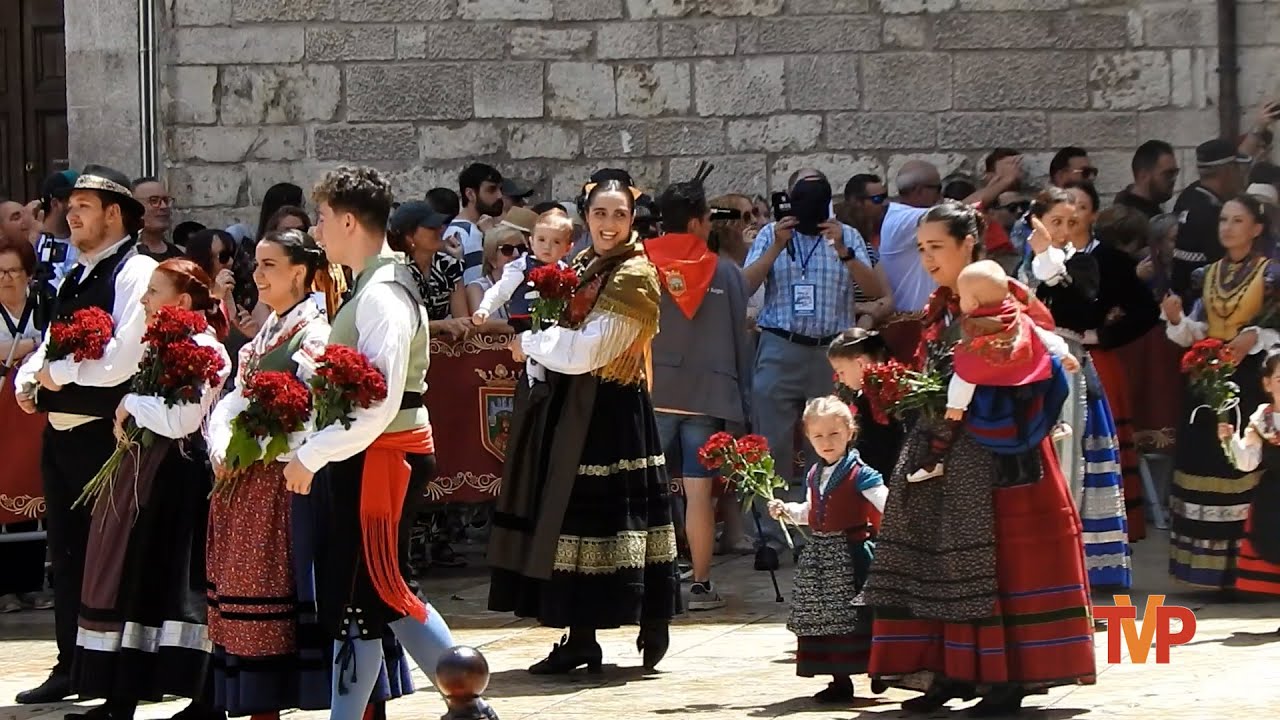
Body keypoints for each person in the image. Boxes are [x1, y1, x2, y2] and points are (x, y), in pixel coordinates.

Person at [863, 201, 1096, 716]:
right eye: (921, 249)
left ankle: (1005, 677)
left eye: (936, 247)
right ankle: (950, 669)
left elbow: (1043, 360)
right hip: (944, 443)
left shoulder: (1005, 296)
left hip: (1003, 455)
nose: (927, 258)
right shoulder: (940, 306)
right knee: (937, 556)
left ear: (968, 244)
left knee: (1002, 562)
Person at [287, 166, 481, 720]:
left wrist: (311, 454)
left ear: (348, 220)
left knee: (378, 589)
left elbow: (379, 401)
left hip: (383, 458)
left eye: (323, 219)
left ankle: (469, 702)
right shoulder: (371, 285)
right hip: (372, 458)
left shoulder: (383, 295)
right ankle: (463, 704)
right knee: (368, 597)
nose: (318, 232)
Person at [205, 229, 412, 718]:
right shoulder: (268, 330)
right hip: (252, 487)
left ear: (299, 271)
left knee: (326, 602)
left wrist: (254, 445)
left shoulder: (316, 330)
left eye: (268, 265)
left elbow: (315, 412)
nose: (257, 276)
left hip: (292, 483)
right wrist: (220, 442)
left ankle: (362, 707)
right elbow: (237, 396)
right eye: (255, 265)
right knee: (257, 607)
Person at [487, 178, 681, 674]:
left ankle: (651, 616)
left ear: (632, 219)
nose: (609, 224)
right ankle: (581, 638)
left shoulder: (635, 274)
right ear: (586, 217)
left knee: (618, 516)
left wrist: (528, 344)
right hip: (574, 406)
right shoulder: (579, 265)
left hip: (612, 410)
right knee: (572, 519)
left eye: (619, 214)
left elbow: (592, 349)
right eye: (600, 213)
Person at [12, 166, 160, 706]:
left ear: (114, 213)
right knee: (68, 554)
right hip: (63, 439)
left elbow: (122, 360)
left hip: (109, 439)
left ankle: (117, 673)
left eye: (82, 205)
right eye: (68, 206)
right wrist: (31, 380)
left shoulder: (136, 270)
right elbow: (51, 339)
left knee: (113, 558)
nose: (70, 214)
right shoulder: (75, 273)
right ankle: (72, 665)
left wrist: (58, 377)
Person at [70, 259, 231, 720]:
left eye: (153, 292)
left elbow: (182, 420)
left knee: (180, 585)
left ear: (182, 302)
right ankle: (120, 698)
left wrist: (131, 403)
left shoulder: (204, 347)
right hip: (151, 476)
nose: (144, 301)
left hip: (182, 479)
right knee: (136, 579)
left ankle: (204, 701)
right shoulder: (164, 345)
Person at [1162, 194, 1279, 590]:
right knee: (1207, 460)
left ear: (1257, 228)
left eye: (1237, 220)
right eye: (1224, 220)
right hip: (1208, 382)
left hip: (1249, 381)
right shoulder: (1206, 275)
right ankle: (1209, 569)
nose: (1227, 227)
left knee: (1242, 463)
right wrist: (1178, 320)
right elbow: (1197, 328)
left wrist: (1255, 335)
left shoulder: (1271, 274)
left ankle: (1248, 569)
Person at [647, 180, 753, 611]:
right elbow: (738, 339)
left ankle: (648, 581)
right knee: (699, 494)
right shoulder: (725, 271)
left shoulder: (642, 264)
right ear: (696, 221)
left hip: (654, 391)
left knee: (649, 491)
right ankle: (702, 585)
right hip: (708, 396)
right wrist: (742, 402)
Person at [1025, 186, 1135, 589]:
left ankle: (1072, 574)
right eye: (1056, 222)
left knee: (1071, 461)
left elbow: (1081, 303)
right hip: (1024, 369)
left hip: (1067, 369)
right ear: (1036, 221)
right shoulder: (1019, 265)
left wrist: (1043, 257)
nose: (1065, 230)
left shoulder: (1083, 264)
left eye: (1073, 222)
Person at [911, 260, 1074, 485]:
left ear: (974, 302)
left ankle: (944, 458)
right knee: (1054, 367)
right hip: (1030, 395)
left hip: (994, 409)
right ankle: (1055, 424)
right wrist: (1065, 355)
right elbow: (1044, 338)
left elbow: (967, 375)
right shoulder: (1018, 317)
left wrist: (956, 406)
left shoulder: (975, 331)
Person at [768, 397, 886, 705]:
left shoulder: (862, 473)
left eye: (834, 434)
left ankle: (881, 668)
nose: (826, 442)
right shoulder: (813, 474)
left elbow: (886, 504)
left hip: (853, 554)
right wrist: (787, 511)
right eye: (818, 435)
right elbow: (812, 511)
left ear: (849, 432)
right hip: (821, 557)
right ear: (808, 437)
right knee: (825, 618)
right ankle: (839, 679)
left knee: (859, 615)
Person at [0, 240, 48, 613]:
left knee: (33, 491)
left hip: (33, 412)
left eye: (13, 271)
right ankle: (3, 589)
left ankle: (30, 584)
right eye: (0, 272)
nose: (5, 279)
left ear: (28, 274)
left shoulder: (43, 306)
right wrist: (26, 347)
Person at [1219, 346, 1280, 606]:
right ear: (1267, 383)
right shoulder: (1261, 419)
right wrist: (1229, 441)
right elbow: (1247, 462)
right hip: (1274, 495)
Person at [826, 329, 904, 478]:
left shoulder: (889, 394)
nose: (841, 379)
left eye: (841, 372)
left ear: (860, 364)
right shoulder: (861, 397)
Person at [472, 211, 574, 325]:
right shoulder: (521, 266)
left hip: (555, 326)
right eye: (541, 239)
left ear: (568, 248)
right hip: (525, 324)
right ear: (531, 242)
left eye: (556, 242)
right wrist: (485, 308)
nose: (547, 246)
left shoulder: (566, 270)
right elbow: (502, 290)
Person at [464, 225, 525, 332]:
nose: (516, 254)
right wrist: (529, 325)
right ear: (492, 258)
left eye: (521, 248)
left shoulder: (531, 283)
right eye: (507, 250)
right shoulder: (477, 287)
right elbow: (483, 324)